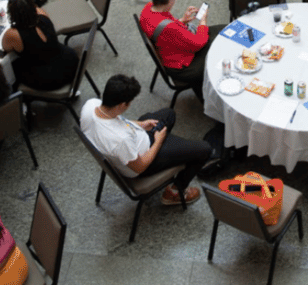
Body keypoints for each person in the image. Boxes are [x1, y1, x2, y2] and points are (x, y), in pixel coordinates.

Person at [80, 74, 212, 205]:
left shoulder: (91, 105)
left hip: (136, 139)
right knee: (204, 149)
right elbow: (140, 167)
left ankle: (172, 151)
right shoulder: (120, 140)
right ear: (121, 105)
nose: (129, 105)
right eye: (129, 103)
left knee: (169, 114)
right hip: (143, 159)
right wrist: (159, 141)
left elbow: (116, 120)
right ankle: (175, 192)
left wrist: (139, 124)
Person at [139, 0, 223, 101]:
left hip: (169, 48)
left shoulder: (148, 9)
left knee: (217, 34)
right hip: (182, 67)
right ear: (170, 0)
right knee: (218, 45)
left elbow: (162, 29)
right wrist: (203, 21)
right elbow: (198, 43)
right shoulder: (170, 28)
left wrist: (182, 20)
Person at [1, 0, 79, 91]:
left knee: (10, 66)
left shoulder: (13, 34)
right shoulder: (43, 15)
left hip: (48, 77)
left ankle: (17, 96)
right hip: (69, 63)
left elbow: (6, 48)